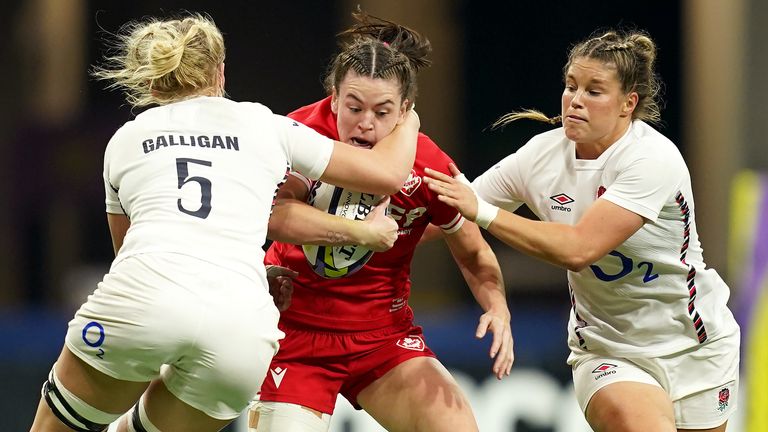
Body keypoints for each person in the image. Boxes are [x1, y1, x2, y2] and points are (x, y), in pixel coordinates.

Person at [29, 12, 421, 432]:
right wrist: (408, 117)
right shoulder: (265, 124)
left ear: (155, 80)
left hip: (142, 301)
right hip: (242, 326)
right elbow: (387, 173)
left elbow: (127, 252)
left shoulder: (126, 139)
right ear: (220, 72)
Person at [424, 29, 740, 432]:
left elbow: (579, 249)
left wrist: (482, 212)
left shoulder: (652, 159)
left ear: (629, 104)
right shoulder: (540, 156)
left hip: (695, 345)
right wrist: (357, 235)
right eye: (571, 86)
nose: (575, 100)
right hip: (609, 349)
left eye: (594, 91)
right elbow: (448, 213)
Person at [249, 11, 514, 432]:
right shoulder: (300, 132)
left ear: (406, 111)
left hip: (382, 337)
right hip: (292, 333)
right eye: (353, 107)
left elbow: (471, 248)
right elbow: (277, 215)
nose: (365, 123)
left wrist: (498, 307)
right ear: (333, 98)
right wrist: (362, 234)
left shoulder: (428, 162)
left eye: (382, 110)